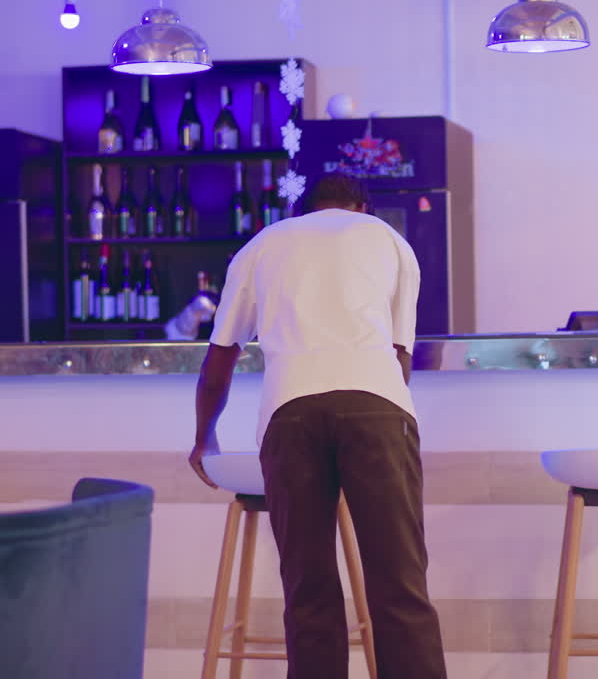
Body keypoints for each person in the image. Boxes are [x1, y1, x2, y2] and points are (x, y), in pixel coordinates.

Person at [188, 174, 447, 679]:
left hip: (292, 414)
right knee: (400, 584)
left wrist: (204, 436)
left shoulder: (262, 245)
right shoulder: (391, 241)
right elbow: (399, 355)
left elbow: (220, 358)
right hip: (378, 407)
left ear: (302, 210)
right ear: (362, 206)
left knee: (308, 590)